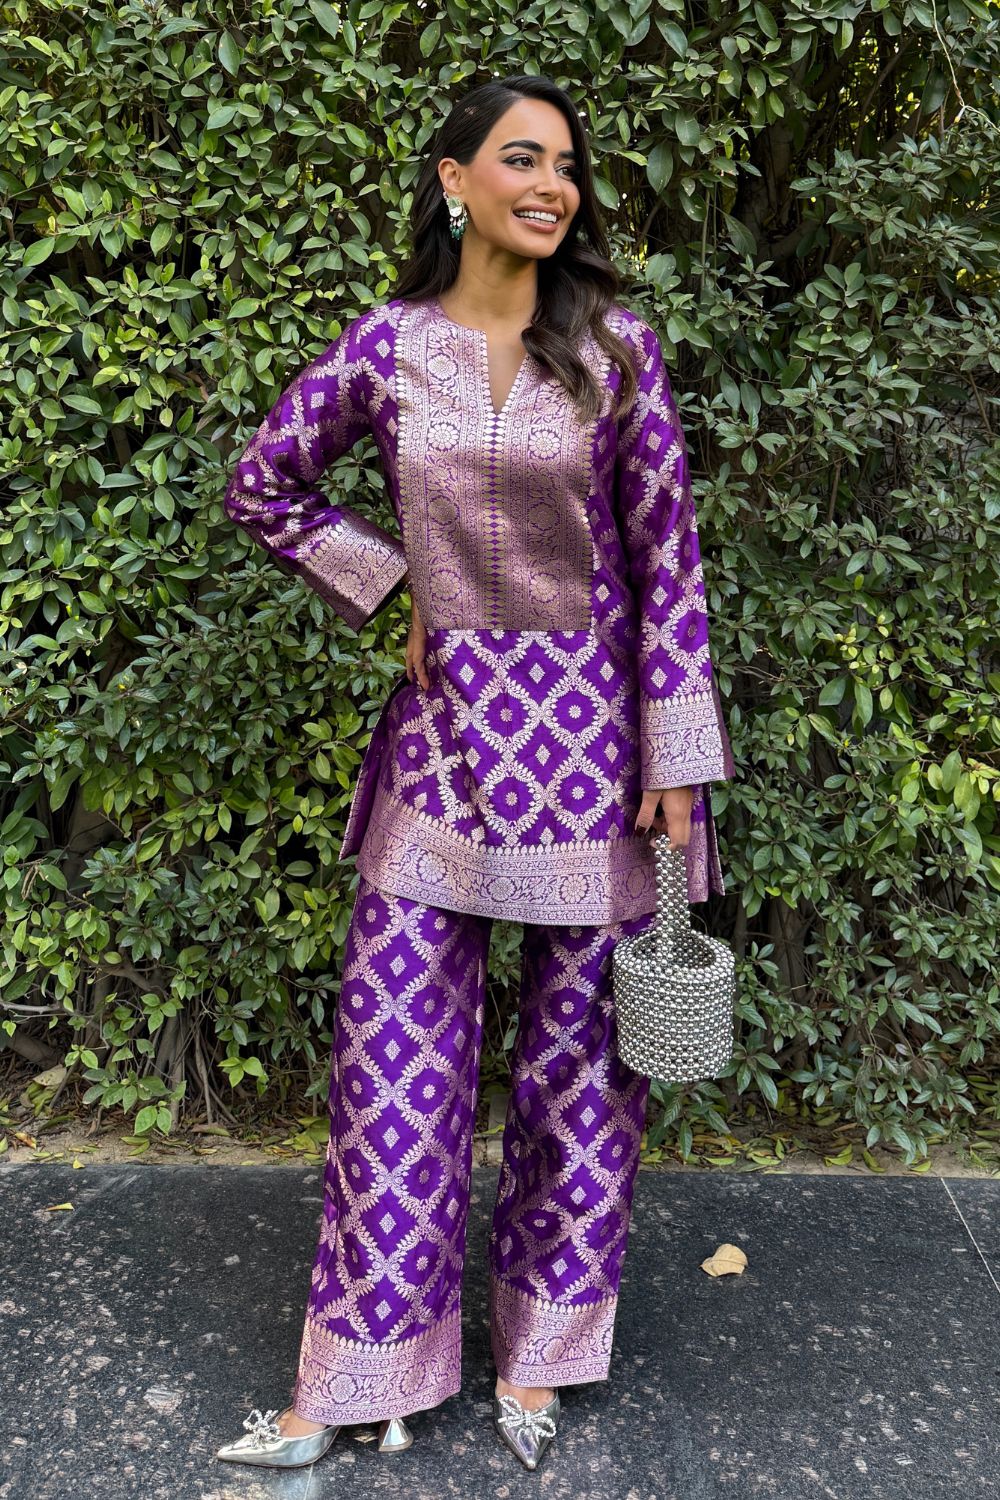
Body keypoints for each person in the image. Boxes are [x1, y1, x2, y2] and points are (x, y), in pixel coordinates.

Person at [215, 72, 734, 1475]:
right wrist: (395, 586)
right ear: (455, 180)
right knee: (393, 1072)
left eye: (567, 165)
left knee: (581, 1075)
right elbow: (265, 484)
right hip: (442, 754)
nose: (552, 185)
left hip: (599, 756)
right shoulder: (386, 348)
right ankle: (355, 1375)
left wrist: (680, 759)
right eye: (522, 158)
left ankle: (541, 1360)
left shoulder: (616, 349)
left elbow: (669, 558)